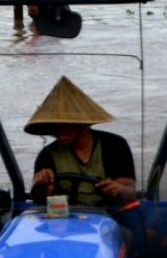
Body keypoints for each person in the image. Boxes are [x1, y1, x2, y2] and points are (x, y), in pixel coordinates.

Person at [25, 76, 136, 207]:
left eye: (64, 125)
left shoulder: (114, 145)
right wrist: (41, 185)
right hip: (65, 217)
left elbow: (130, 191)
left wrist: (118, 189)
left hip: (109, 215)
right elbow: (40, 199)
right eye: (54, 125)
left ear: (83, 124)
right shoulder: (48, 154)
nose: (58, 130)